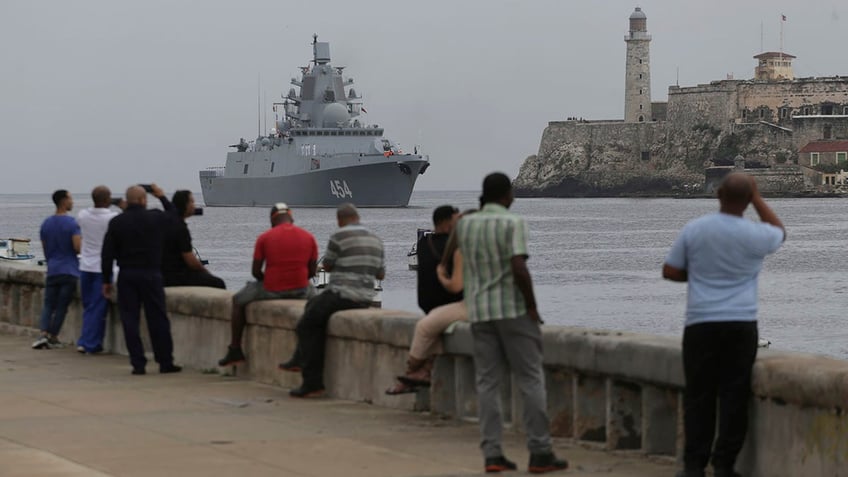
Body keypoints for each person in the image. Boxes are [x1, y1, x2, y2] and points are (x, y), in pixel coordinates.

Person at [663, 172, 785, 477]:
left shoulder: (695, 229)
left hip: (701, 323)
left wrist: (700, 277)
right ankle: (724, 465)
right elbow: (779, 232)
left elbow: (670, 270)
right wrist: (756, 197)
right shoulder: (755, 234)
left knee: (699, 395)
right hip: (741, 324)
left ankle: (693, 465)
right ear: (747, 201)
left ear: (718, 195)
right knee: (734, 395)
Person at [456, 172, 567, 474]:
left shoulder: (466, 224)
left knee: (487, 384)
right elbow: (518, 266)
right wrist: (532, 305)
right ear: (506, 195)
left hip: (480, 312)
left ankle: (492, 454)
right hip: (512, 311)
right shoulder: (512, 222)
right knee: (530, 379)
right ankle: (540, 451)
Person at [281, 203, 385, 398]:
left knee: (305, 325)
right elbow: (381, 273)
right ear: (357, 217)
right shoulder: (376, 240)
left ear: (339, 220)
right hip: (365, 297)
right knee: (312, 305)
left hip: (342, 294)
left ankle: (312, 381)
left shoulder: (339, 236)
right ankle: (297, 358)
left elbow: (327, 266)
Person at [217, 202, 319, 367]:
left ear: (272, 220)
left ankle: (235, 348)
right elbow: (312, 272)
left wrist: (269, 279)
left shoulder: (264, 238)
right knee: (317, 303)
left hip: (272, 288)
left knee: (238, 299)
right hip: (301, 289)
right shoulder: (309, 237)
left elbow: (256, 271)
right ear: (291, 217)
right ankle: (303, 352)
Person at [101, 184, 182, 375]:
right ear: (144, 200)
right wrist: (161, 196)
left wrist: (106, 280)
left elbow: (107, 255)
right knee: (158, 318)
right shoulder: (155, 217)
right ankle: (165, 361)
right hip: (151, 274)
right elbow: (174, 217)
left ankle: (138, 363)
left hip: (127, 275)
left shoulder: (117, 222)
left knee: (130, 320)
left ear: (127, 201)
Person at [385, 205, 466, 395]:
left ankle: (412, 373)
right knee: (428, 330)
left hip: (432, 305)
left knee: (426, 328)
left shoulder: (423, 244)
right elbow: (456, 286)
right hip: (451, 303)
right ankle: (421, 372)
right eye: (457, 219)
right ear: (447, 222)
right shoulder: (456, 247)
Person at [32, 190, 81, 350]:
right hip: (69, 270)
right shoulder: (72, 223)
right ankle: (53, 337)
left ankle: (43, 334)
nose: (72, 201)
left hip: (53, 269)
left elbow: (45, 249)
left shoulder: (46, 223)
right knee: (61, 306)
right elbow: (77, 247)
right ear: (64, 201)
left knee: (48, 304)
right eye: (70, 198)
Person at [75, 185, 120, 354]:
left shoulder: (82, 215)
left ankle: (87, 341)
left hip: (86, 266)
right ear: (108, 200)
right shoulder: (112, 218)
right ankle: (90, 343)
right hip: (104, 268)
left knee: (89, 306)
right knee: (98, 307)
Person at [161, 190, 225, 289]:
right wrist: (206, 272)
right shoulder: (180, 228)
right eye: (192, 202)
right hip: (176, 276)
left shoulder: (169, 221)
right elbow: (190, 260)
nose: (194, 205)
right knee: (218, 283)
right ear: (185, 205)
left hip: (163, 273)